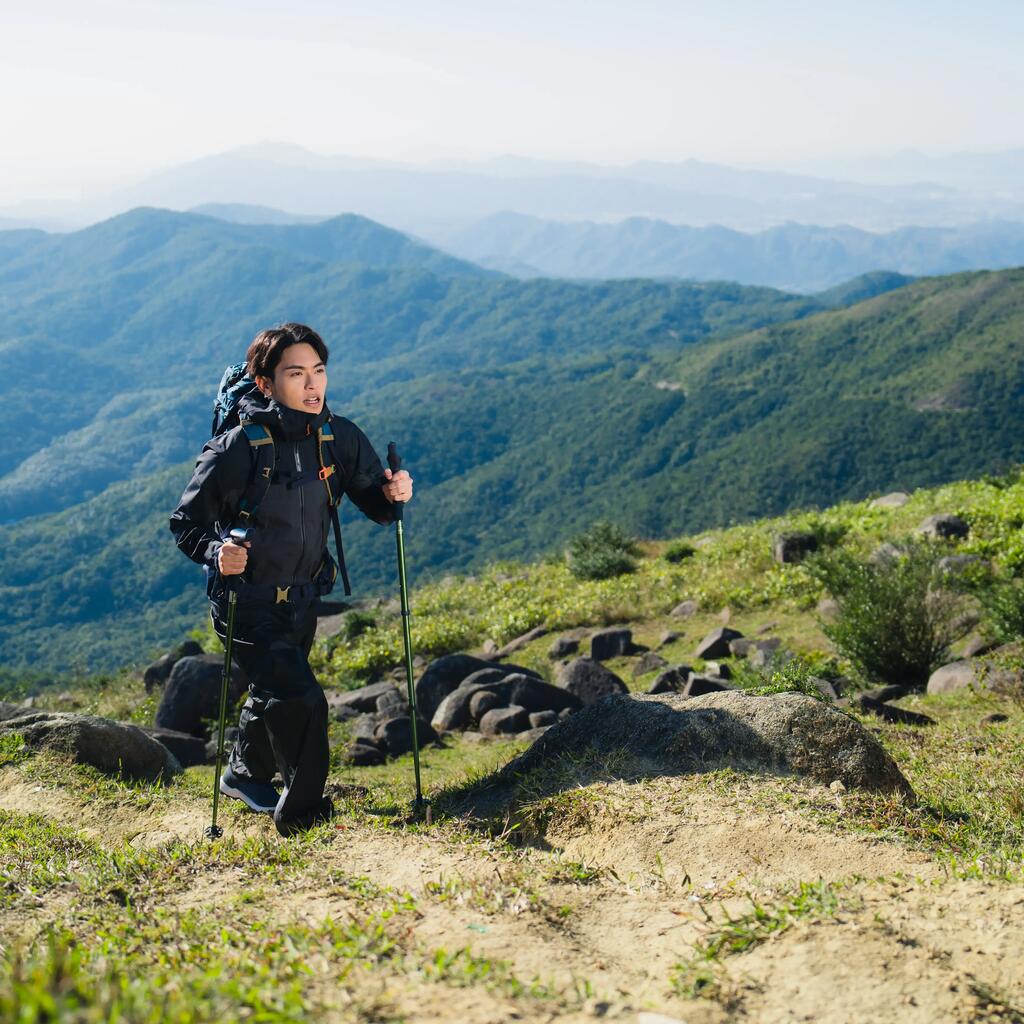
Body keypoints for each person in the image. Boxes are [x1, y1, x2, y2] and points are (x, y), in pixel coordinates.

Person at [169, 322, 413, 836]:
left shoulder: (337, 436)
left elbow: (373, 500)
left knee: (273, 689)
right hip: (247, 603)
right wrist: (217, 553)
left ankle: (243, 773)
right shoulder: (239, 448)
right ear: (265, 383)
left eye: (318, 371)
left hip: (304, 598)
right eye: (296, 373)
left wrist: (393, 495)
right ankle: (302, 813)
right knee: (302, 699)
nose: (311, 384)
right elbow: (185, 523)